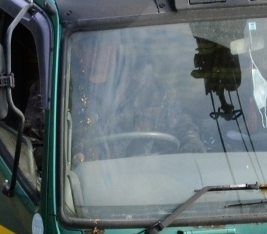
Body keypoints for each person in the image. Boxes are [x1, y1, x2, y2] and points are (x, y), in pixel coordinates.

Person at [66, 28, 205, 165]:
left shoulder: (147, 89)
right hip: (87, 182)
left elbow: (179, 124)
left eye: (106, 43)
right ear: (78, 49)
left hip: (146, 179)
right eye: (91, 44)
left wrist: (190, 140)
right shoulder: (65, 93)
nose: (99, 51)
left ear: (114, 46)